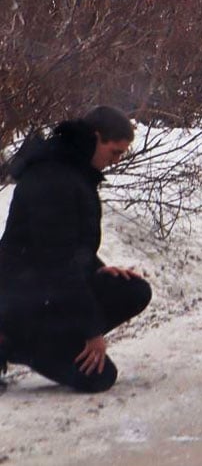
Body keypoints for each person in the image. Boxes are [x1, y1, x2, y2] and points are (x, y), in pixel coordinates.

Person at [0, 106, 152, 393]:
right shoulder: (53, 179)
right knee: (100, 377)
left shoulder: (74, 171)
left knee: (132, 289)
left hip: (44, 291)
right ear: (95, 137)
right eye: (114, 152)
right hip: (21, 300)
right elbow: (58, 263)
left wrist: (98, 268)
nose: (116, 161)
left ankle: (54, 342)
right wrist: (91, 332)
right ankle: (13, 342)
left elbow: (71, 246)